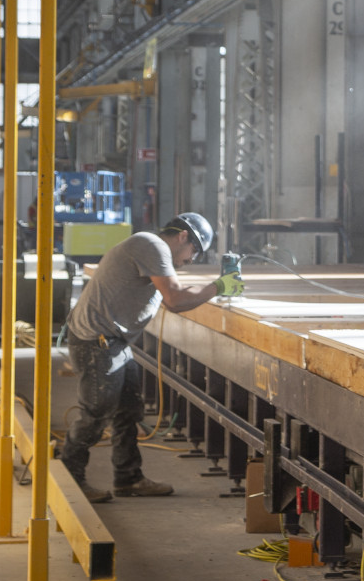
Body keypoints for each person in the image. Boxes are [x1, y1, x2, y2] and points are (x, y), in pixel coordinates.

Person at [58, 212, 240, 501]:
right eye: (194, 250)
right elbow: (175, 299)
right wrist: (218, 287)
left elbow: (174, 293)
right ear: (183, 237)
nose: (191, 259)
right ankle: (68, 481)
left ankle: (128, 479)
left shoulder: (154, 252)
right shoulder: (150, 245)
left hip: (113, 343)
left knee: (128, 412)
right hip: (97, 342)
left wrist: (213, 288)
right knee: (96, 414)